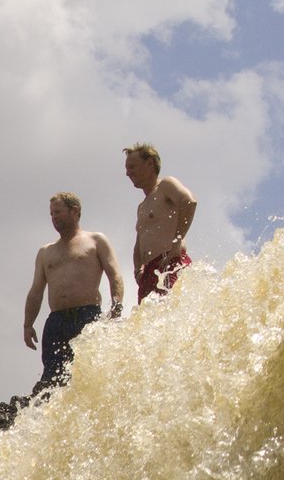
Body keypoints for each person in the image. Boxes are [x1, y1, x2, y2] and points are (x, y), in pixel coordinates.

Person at [22, 191, 124, 389]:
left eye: (58, 212)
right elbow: (36, 291)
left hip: (88, 316)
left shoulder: (96, 240)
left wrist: (117, 304)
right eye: (51, 214)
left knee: (90, 374)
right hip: (56, 322)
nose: (54, 217)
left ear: (74, 211)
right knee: (52, 379)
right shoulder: (46, 252)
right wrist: (28, 324)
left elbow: (115, 275)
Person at [125, 142, 197, 302]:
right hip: (149, 273)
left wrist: (176, 242)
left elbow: (189, 202)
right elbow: (139, 242)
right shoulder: (142, 207)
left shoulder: (165, 185)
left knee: (172, 313)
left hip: (170, 262)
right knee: (148, 323)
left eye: (132, 167)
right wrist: (138, 270)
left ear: (149, 163)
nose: (127, 173)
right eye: (127, 168)